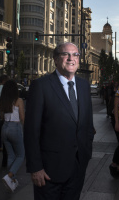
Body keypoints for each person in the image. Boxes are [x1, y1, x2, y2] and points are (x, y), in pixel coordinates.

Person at [24, 42, 94, 200]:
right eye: (65, 54)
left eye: (75, 54)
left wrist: (86, 151)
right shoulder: (41, 86)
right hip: (49, 172)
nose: (71, 58)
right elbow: (31, 131)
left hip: (77, 168)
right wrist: (35, 168)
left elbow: (87, 124)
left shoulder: (84, 86)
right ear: (56, 59)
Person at [0, 79, 25, 192]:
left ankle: (12, 181)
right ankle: (9, 176)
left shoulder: (3, 101)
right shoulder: (18, 100)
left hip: (4, 127)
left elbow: (1, 116)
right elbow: (22, 117)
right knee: (21, 155)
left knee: (11, 155)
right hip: (15, 127)